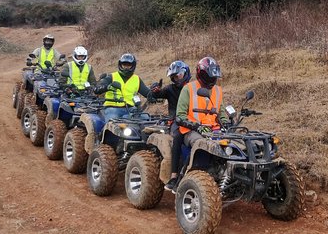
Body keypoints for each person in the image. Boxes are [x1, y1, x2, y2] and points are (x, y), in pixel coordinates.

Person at [173, 56, 228, 191]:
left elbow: (221, 112)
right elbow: (180, 117)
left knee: (232, 146)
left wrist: (226, 124)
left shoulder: (217, 90)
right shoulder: (189, 89)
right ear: (201, 74)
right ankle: (184, 178)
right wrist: (197, 126)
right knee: (202, 146)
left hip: (214, 130)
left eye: (214, 77)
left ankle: (225, 175)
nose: (212, 81)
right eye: (209, 77)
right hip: (191, 130)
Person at [149, 60, 191, 191]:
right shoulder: (170, 89)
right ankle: (174, 176)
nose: (177, 78)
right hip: (176, 121)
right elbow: (155, 96)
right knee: (178, 137)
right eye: (173, 77)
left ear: (186, 73)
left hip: (194, 121)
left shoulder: (193, 88)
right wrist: (155, 90)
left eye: (179, 75)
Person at [94, 53, 152, 120]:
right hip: (113, 108)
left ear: (133, 66)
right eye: (124, 65)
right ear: (120, 65)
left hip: (131, 109)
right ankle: (103, 130)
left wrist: (156, 92)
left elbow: (147, 93)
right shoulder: (111, 77)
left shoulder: (137, 79)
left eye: (128, 65)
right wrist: (108, 87)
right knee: (113, 122)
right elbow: (96, 89)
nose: (126, 67)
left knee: (146, 118)